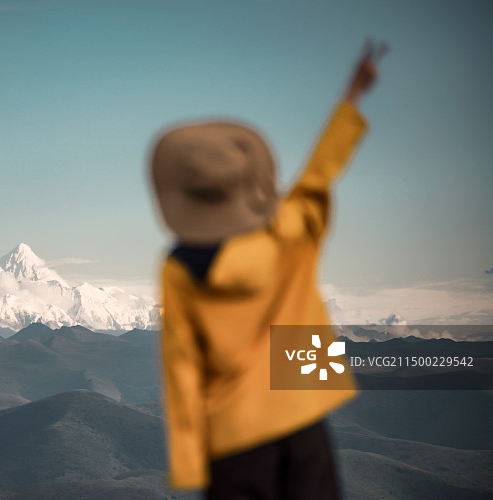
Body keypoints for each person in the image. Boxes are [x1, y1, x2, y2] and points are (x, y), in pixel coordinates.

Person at [149, 41, 386, 499]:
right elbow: (318, 177)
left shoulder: (179, 267)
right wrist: (352, 97)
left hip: (232, 440)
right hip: (302, 416)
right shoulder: (288, 232)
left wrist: (189, 464)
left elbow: (181, 368)